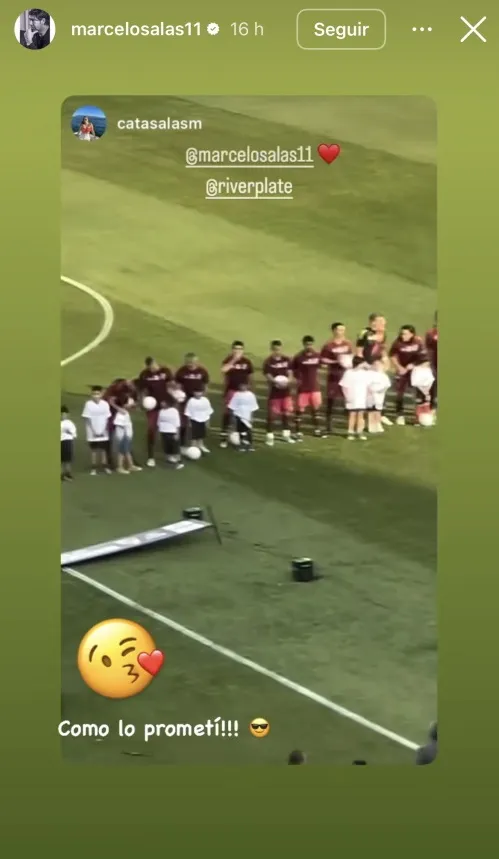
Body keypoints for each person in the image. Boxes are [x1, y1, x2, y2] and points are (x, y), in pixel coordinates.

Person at [135, 357, 173, 467]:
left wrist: (172, 399)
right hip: (152, 407)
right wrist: (142, 402)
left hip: (166, 405)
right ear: (147, 367)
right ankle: (151, 457)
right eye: (150, 367)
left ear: (156, 363)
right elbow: (141, 390)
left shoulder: (165, 371)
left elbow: (171, 384)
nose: (153, 369)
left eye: (154, 366)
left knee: (168, 430)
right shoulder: (144, 374)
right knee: (152, 430)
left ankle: (169, 454)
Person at [356, 313, 392, 426]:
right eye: (380, 321)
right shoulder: (364, 333)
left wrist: (385, 360)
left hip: (377, 366)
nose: (383, 324)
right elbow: (359, 351)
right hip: (367, 366)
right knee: (367, 393)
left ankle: (380, 414)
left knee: (380, 390)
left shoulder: (383, 334)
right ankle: (365, 417)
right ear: (373, 322)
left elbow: (382, 348)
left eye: (384, 321)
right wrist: (365, 364)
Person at [320, 322, 353, 436]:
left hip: (346, 376)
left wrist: (348, 362)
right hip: (333, 376)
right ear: (334, 331)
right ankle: (328, 427)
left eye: (343, 330)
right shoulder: (328, 345)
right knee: (331, 401)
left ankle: (351, 426)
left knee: (349, 400)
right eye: (339, 330)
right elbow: (323, 360)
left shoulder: (348, 343)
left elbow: (351, 357)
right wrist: (336, 361)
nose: (341, 332)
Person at [388, 325, 425, 425]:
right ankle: (399, 415)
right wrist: (399, 367)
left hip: (415, 370)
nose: (402, 335)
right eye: (401, 333)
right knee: (400, 392)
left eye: (405, 334)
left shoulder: (418, 342)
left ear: (412, 334)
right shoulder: (397, 342)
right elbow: (392, 355)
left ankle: (418, 416)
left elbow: (422, 358)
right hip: (402, 370)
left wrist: (413, 365)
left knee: (419, 392)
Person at [220, 341, 254, 448]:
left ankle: (244, 438)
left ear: (243, 350)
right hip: (231, 391)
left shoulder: (247, 362)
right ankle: (224, 437)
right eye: (235, 349)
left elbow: (250, 377)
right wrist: (234, 360)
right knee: (228, 414)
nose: (237, 351)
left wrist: (250, 390)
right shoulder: (228, 360)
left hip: (244, 392)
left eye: (240, 349)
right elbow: (223, 370)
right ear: (232, 349)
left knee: (244, 415)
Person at [262, 340, 295, 447]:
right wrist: (276, 382)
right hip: (274, 393)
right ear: (272, 349)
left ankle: (286, 435)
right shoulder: (268, 362)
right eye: (275, 349)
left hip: (286, 392)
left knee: (286, 414)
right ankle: (269, 437)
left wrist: (288, 381)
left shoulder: (286, 360)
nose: (277, 351)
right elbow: (268, 375)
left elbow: (290, 373)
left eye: (279, 349)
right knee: (272, 416)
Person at [174, 353, 210, 451]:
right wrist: (178, 396)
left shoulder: (202, 371)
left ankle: (199, 443)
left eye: (192, 362)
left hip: (198, 400)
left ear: (196, 362)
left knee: (199, 422)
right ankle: (181, 444)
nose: (190, 364)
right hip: (185, 400)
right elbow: (178, 385)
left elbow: (205, 386)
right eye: (188, 362)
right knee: (183, 422)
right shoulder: (181, 371)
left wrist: (203, 398)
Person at [291, 335, 322, 440]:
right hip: (303, 388)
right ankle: (298, 431)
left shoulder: (317, 356)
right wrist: (297, 379)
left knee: (315, 409)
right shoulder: (298, 357)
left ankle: (317, 430)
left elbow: (321, 365)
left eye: (310, 344)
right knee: (300, 410)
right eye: (307, 344)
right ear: (303, 344)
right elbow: (293, 369)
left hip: (314, 387)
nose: (309, 346)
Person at [104, 377, 136, 464]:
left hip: (120, 416)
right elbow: (109, 402)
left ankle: (129, 460)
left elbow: (130, 406)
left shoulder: (128, 391)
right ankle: (108, 459)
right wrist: (118, 408)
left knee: (126, 438)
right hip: (110, 415)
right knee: (109, 437)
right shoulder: (113, 390)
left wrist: (131, 406)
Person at [81, 386, 112, 475]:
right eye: (94, 394)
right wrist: (94, 431)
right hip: (92, 432)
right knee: (94, 450)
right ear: (91, 395)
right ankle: (94, 468)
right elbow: (88, 419)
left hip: (103, 432)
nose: (96, 396)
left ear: (101, 394)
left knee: (103, 450)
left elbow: (107, 418)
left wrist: (103, 430)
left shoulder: (105, 404)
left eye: (98, 394)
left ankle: (105, 467)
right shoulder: (88, 404)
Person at [340, 357, 370, 440]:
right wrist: (346, 396)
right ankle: (350, 432)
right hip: (352, 397)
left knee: (360, 415)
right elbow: (344, 386)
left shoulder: (364, 373)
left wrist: (367, 396)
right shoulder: (348, 373)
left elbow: (367, 385)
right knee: (352, 415)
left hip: (362, 397)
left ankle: (359, 432)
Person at [113, 394, 142, 474]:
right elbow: (120, 427)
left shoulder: (124, 412)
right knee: (122, 451)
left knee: (127, 450)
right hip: (123, 436)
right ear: (123, 404)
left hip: (127, 435)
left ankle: (130, 465)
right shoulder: (121, 414)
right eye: (128, 403)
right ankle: (120, 467)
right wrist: (126, 437)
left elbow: (132, 408)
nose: (130, 404)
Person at [229, 383, 259, 451]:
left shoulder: (251, 395)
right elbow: (232, 406)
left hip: (247, 415)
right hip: (238, 415)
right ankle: (241, 444)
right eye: (241, 385)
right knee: (240, 430)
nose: (242, 387)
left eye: (244, 385)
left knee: (248, 430)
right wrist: (233, 417)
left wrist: (252, 417)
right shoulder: (237, 394)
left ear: (248, 386)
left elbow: (253, 407)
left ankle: (250, 444)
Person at [365, 357, 391, 434]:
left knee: (378, 410)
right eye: (375, 365)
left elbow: (387, 384)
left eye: (379, 365)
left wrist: (381, 390)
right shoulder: (369, 374)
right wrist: (371, 389)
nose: (377, 366)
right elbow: (366, 383)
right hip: (370, 395)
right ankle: (371, 426)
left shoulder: (383, 375)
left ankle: (377, 424)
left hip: (380, 395)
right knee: (371, 411)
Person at [183, 389, 213, 454]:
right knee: (194, 435)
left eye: (200, 392)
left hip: (203, 419)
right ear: (194, 393)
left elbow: (208, 411)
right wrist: (189, 421)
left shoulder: (205, 400)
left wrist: (208, 421)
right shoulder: (191, 401)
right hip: (194, 419)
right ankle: (193, 447)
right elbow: (188, 412)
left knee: (201, 434)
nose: (198, 394)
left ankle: (201, 445)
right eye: (196, 392)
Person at [157, 397, 184, 470]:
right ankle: (169, 460)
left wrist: (177, 433)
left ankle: (179, 462)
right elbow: (159, 422)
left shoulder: (174, 411)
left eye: (163, 402)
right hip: (163, 431)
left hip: (172, 432)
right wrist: (159, 432)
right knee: (166, 447)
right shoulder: (161, 411)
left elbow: (177, 423)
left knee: (175, 448)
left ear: (168, 403)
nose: (161, 403)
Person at [425, 312, 438, 418]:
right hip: (435, 362)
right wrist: (429, 363)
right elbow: (428, 349)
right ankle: (432, 408)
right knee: (434, 384)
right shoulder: (431, 333)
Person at [60, 405, 76, 481]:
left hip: (68, 442)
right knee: (61, 459)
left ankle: (68, 473)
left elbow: (74, 434)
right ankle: (62, 474)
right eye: (62, 414)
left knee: (67, 459)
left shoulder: (70, 423)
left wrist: (68, 432)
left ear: (67, 414)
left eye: (64, 414)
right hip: (61, 441)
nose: (63, 416)